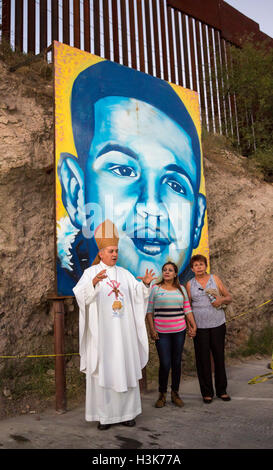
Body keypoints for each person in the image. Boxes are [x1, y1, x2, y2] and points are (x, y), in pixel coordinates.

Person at [56, 58, 207, 296]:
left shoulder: (187, 290)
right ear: (76, 192)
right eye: (124, 171)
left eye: (175, 184)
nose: (151, 207)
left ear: (197, 220)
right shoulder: (83, 283)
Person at [73, 219, 157, 430]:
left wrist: (145, 285)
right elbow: (81, 296)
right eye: (111, 251)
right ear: (101, 252)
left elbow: (138, 296)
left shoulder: (125, 274)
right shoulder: (90, 273)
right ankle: (105, 416)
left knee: (125, 369)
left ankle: (127, 414)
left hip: (124, 334)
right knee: (105, 372)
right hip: (103, 335)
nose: (114, 254)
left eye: (116, 251)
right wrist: (92, 284)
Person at [146, 262, 197, 408]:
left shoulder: (181, 289)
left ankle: (175, 393)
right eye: (165, 270)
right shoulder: (155, 289)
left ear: (175, 274)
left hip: (179, 331)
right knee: (165, 363)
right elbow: (149, 311)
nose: (167, 272)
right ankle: (162, 394)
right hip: (162, 333)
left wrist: (193, 325)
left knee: (176, 363)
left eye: (170, 270)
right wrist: (152, 329)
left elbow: (187, 309)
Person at [186, 254, 232, 404]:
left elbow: (228, 297)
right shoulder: (189, 284)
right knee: (202, 359)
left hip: (218, 324)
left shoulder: (215, 279)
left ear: (206, 266)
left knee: (219, 357)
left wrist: (221, 300)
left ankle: (222, 390)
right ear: (192, 269)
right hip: (200, 327)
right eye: (196, 265)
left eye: (201, 264)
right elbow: (187, 307)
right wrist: (190, 326)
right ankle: (207, 392)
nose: (199, 267)